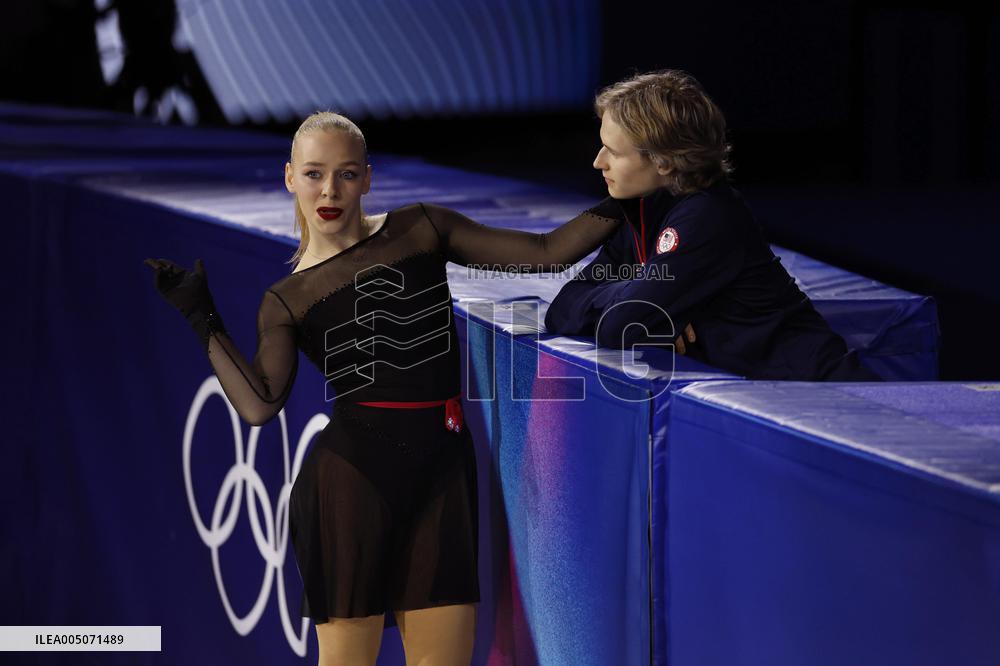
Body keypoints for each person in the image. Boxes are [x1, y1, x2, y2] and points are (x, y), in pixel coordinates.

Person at [143, 111, 622, 665]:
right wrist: (202, 317)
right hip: (351, 485)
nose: (330, 190)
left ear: (367, 178)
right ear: (290, 177)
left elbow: (547, 253)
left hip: (443, 474)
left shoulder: (421, 227)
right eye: (315, 173)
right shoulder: (287, 298)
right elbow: (259, 404)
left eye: (346, 174)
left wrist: (637, 198)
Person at [544, 69, 880, 381]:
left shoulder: (708, 217)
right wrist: (648, 298)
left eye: (613, 152)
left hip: (820, 398)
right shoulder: (642, 208)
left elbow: (618, 326)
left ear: (663, 161)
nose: (597, 161)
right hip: (762, 399)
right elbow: (563, 308)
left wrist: (648, 306)